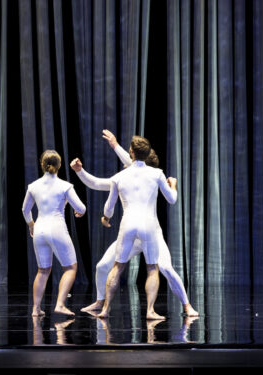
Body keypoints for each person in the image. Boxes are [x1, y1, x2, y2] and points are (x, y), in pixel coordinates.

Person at [72, 131, 197, 317]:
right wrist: (113, 145)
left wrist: (82, 170)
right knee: (103, 266)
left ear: (133, 154)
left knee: (165, 268)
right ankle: (101, 302)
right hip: (147, 228)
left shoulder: (129, 176)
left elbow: (105, 183)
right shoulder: (144, 175)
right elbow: (100, 181)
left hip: (134, 229)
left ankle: (187, 306)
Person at [98, 136, 178, 320]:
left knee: (117, 267)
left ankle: (105, 309)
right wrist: (173, 185)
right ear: (147, 153)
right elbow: (172, 199)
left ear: (131, 153)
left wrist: (106, 218)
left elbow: (109, 206)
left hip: (128, 223)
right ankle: (150, 311)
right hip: (148, 224)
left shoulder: (119, 176)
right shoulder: (156, 174)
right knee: (152, 268)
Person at [21, 150, 86, 317]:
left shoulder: (33, 186)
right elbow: (81, 208)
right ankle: (60, 304)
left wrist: (31, 224)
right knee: (71, 268)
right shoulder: (65, 186)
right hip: (57, 228)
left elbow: (25, 209)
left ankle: (35, 309)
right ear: (60, 166)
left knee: (42, 270)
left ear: (42, 165)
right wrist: (78, 212)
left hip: (40, 229)